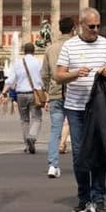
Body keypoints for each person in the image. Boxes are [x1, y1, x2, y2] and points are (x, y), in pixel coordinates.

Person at [56, 7, 106, 212]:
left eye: (98, 26)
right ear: (80, 25)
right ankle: (84, 197)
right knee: (80, 155)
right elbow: (59, 76)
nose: (95, 30)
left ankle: (99, 198)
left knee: (101, 152)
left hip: (100, 108)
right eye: (91, 26)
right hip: (76, 108)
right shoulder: (69, 46)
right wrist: (75, 74)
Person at [41, 17, 75, 178]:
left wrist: (48, 91)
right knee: (77, 130)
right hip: (74, 94)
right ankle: (80, 164)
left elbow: (45, 74)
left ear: (59, 29)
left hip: (55, 94)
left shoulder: (50, 48)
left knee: (55, 131)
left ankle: (53, 165)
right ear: (73, 29)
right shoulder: (75, 46)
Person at [1, 43, 44, 155]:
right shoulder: (38, 63)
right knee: (37, 118)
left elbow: (10, 80)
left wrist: (3, 92)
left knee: (24, 120)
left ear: (24, 51)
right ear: (34, 51)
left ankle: (27, 145)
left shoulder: (17, 63)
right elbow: (43, 79)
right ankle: (32, 137)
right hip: (34, 93)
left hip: (20, 94)